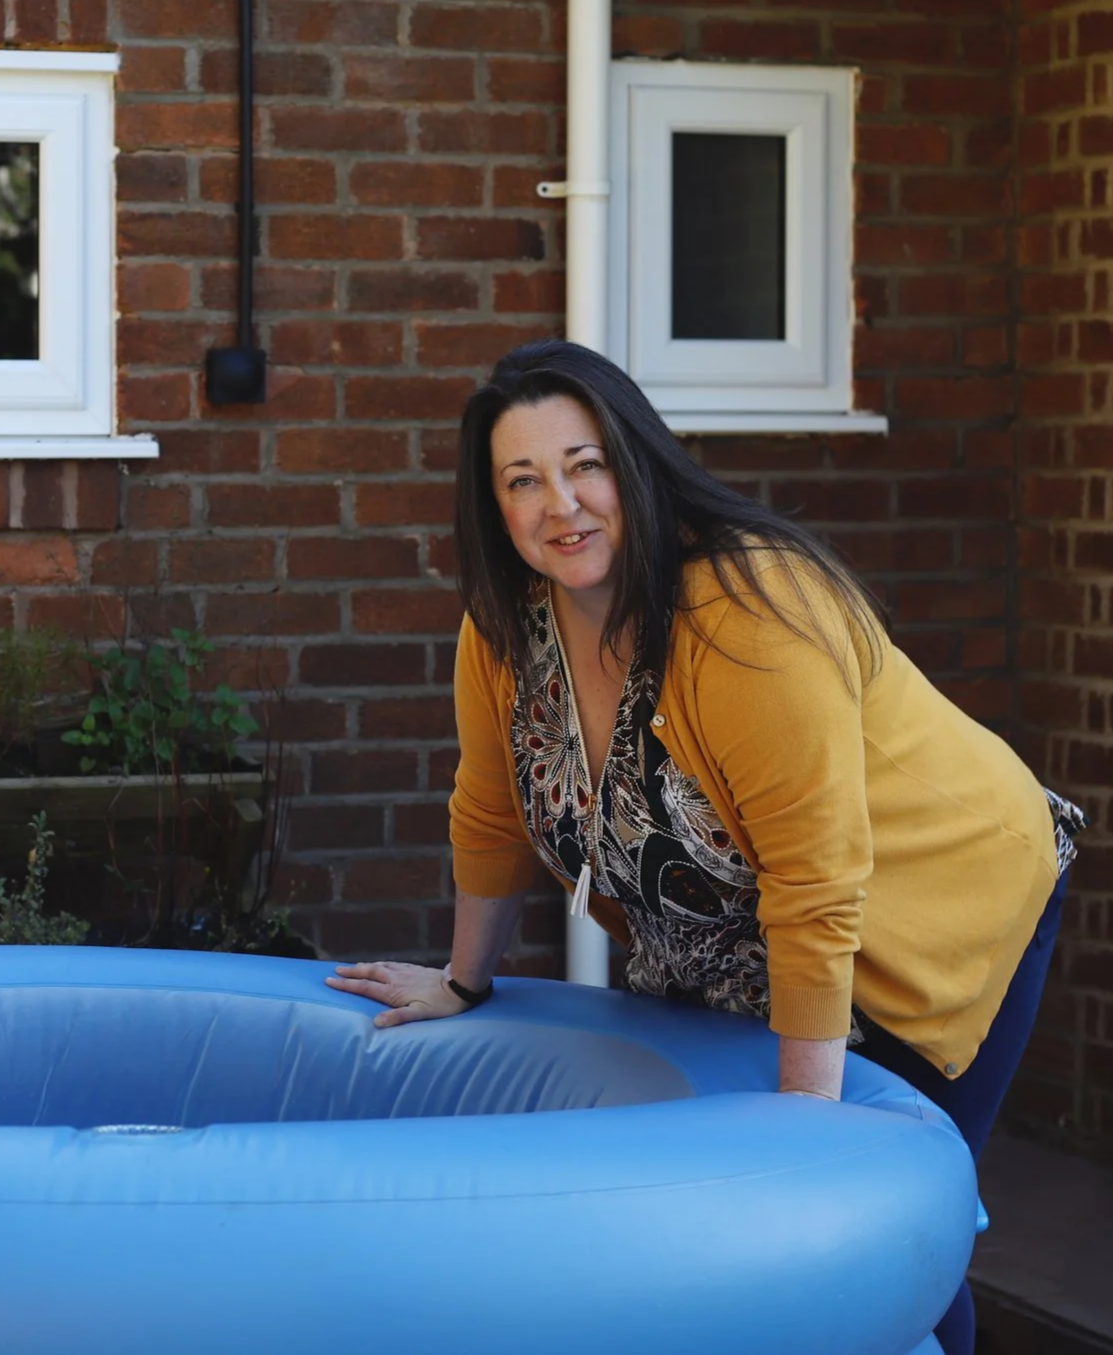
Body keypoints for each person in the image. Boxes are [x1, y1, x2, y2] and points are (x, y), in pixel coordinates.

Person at [326, 340, 1081, 1355]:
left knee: (877, 1222)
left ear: (633, 462)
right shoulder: (505, 627)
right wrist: (464, 982)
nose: (561, 503)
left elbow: (815, 882)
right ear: (493, 507)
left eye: (584, 463)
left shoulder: (743, 613)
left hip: (930, 910)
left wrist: (805, 1127)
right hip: (747, 942)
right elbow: (491, 809)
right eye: (522, 479)